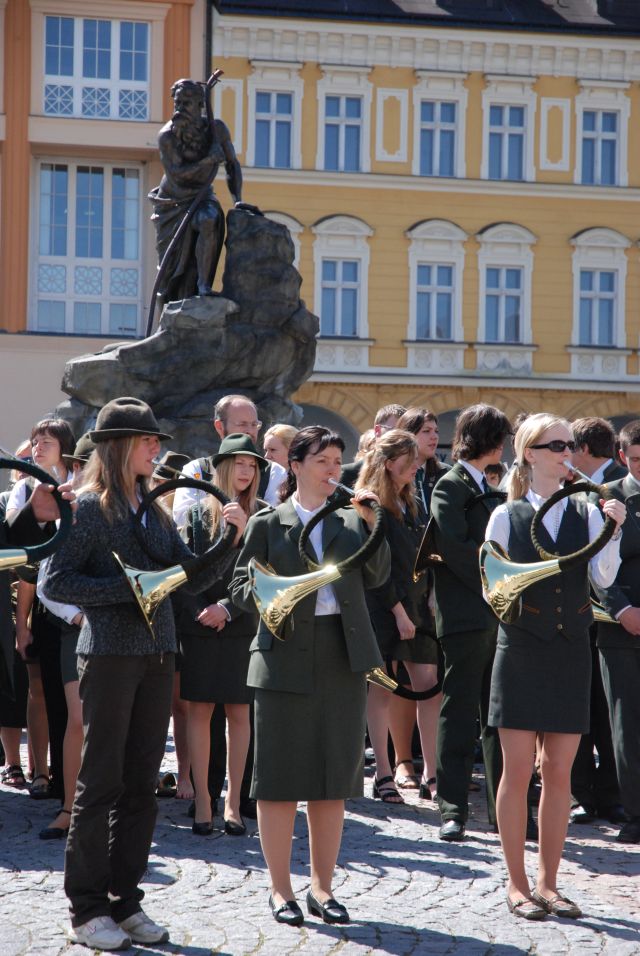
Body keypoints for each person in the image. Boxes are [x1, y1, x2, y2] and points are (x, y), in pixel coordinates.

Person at [42, 396, 227, 951]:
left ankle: (125, 901)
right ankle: (87, 909)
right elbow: (56, 582)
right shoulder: (89, 509)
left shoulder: (154, 509)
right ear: (120, 446)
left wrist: (230, 539)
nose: (156, 448)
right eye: (148, 441)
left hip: (157, 654)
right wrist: (127, 590)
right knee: (101, 783)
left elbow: (190, 580)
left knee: (143, 785)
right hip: (108, 656)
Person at [230, 426, 390, 927]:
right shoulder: (268, 522)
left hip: (342, 655)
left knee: (331, 780)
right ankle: (281, 890)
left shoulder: (351, 519)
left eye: (338, 460)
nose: (333, 469)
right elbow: (239, 587)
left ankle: (323, 888)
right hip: (282, 656)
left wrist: (373, 525)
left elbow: (379, 576)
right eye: (322, 460)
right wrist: (273, 598)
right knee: (278, 781)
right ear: (295, 466)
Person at [485, 413, 625, 920]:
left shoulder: (587, 511)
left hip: (569, 649)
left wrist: (612, 531)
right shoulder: (506, 515)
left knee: (560, 770)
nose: (569, 452)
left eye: (570, 444)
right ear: (530, 453)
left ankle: (548, 883)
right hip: (522, 648)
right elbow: (493, 586)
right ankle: (517, 884)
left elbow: (603, 577)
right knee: (518, 770)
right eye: (557, 445)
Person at [430, 403, 512, 842]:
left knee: (497, 717)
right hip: (466, 615)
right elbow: (455, 547)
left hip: (496, 615)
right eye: (502, 439)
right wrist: (496, 583)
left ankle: (504, 811)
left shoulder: (490, 484)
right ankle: (453, 809)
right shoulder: (451, 484)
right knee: (459, 714)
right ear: (491, 441)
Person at [178, 434, 264, 836]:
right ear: (223, 467)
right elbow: (184, 572)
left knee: (239, 713)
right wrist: (203, 610)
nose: (246, 471)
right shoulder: (196, 516)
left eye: (253, 465)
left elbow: (264, 575)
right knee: (198, 712)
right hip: (199, 625)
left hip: (241, 624)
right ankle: (203, 800)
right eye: (239, 463)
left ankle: (233, 801)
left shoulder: (263, 515)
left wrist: (228, 608)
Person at [356, 430, 441, 804]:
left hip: (417, 607)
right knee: (382, 688)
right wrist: (399, 612)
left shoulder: (413, 502)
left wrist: (432, 592)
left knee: (429, 686)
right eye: (409, 462)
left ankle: (432, 772)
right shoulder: (370, 504)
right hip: (384, 608)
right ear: (389, 463)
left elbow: (424, 554)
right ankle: (383, 773)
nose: (416, 468)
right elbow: (376, 568)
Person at [8, 418, 75, 803]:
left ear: (65, 446)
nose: (38, 447)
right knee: (45, 689)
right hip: (39, 602)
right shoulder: (23, 489)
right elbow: (21, 557)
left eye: (47, 441)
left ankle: (73, 778)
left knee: (76, 697)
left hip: (77, 603)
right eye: (35, 441)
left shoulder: (81, 483)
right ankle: (43, 772)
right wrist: (22, 623)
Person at [568, 416, 627, 825]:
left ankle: (608, 794)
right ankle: (582, 794)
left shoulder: (619, 486)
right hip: (577, 614)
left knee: (608, 713)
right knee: (579, 708)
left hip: (612, 617)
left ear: (583, 450)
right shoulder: (572, 489)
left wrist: (619, 606)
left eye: (568, 447)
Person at [35, 434, 95, 840]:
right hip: (77, 630)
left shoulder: (131, 510)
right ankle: (70, 808)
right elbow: (46, 586)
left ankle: (111, 808)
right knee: (78, 720)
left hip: (124, 631)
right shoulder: (68, 513)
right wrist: (78, 617)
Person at [148, 78, 243, 302]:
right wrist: (208, 160)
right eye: (177, 103)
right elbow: (178, 174)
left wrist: (238, 200)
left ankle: (203, 285)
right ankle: (167, 308)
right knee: (168, 275)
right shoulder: (167, 136)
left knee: (209, 219)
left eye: (186, 104)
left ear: (200, 105)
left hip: (202, 196)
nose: (179, 109)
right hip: (171, 203)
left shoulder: (216, 129)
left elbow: (232, 165)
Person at [593, 419, 640, 843]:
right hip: (620, 628)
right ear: (623, 457)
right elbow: (596, 563)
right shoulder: (607, 497)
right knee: (626, 725)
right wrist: (623, 609)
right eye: (638, 459)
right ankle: (636, 811)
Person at [173, 394, 287, 526]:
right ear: (219, 427)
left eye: (254, 424)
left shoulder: (273, 472)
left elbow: (275, 524)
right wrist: (222, 510)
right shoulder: (196, 469)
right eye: (242, 424)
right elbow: (182, 520)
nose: (250, 431)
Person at [340, 403, 407, 488]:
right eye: (395, 431)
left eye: (407, 432)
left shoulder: (413, 476)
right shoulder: (346, 475)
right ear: (377, 431)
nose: (402, 438)